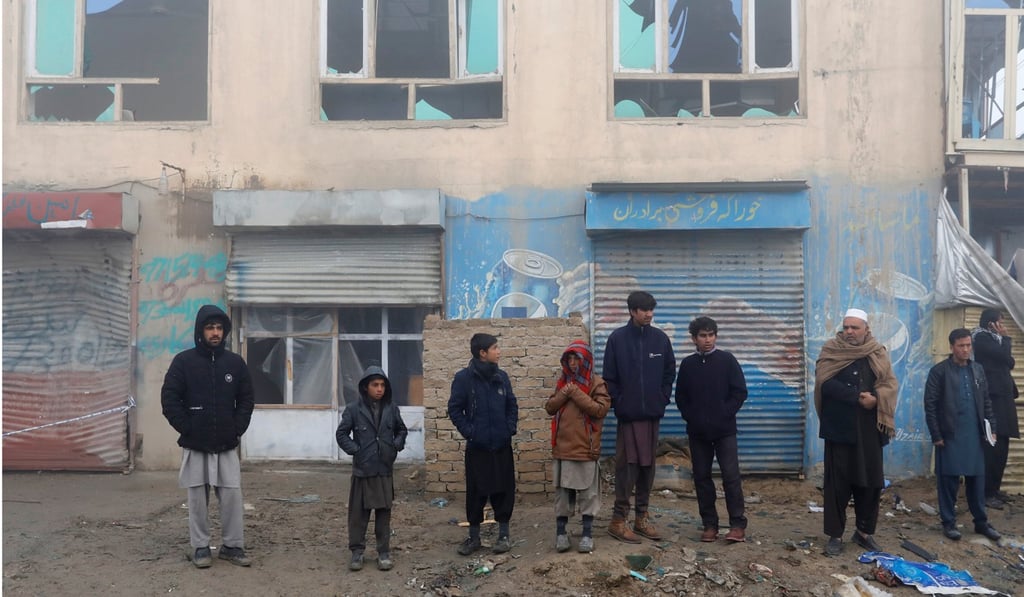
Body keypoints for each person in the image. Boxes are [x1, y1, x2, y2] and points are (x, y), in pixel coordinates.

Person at [161, 304, 255, 569]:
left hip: (226, 444)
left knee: (232, 498)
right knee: (197, 501)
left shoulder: (235, 364)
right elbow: (169, 398)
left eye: (219, 328)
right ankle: (200, 547)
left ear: (224, 331)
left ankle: (232, 546)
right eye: (210, 327)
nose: (215, 333)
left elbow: (246, 398)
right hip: (195, 444)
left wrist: (237, 427)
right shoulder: (184, 362)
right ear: (200, 331)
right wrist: (186, 427)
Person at [813, 308, 898, 557]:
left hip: (870, 430)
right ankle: (835, 536)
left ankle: (863, 533)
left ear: (866, 330)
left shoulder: (877, 352)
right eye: (846, 327)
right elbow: (824, 382)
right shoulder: (831, 350)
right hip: (840, 430)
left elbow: (890, 383)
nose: (849, 332)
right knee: (837, 486)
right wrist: (856, 397)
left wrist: (877, 399)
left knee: (870, 484)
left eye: (855, 328)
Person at [602, 290, 676, 543]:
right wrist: (620, 403)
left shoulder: (660, 340)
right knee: (627, 468)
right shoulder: (617, 339)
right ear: (632, 311)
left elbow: (669, 374)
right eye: (644, 310)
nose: (649, 314)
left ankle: (641, 518)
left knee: (648, 468)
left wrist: (662, 398)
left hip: (652, 416)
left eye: (651, 309)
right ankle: (618, 521)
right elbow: (609, 378)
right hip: (629, 418)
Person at [675, 316, 749, 543]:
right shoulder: (688, 365)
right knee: (702, 478)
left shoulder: (727, 360)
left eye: (711, 335)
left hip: (725, 430)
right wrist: (693, 418)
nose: (707, 340)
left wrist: (724, 413)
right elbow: (681, 397)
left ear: (715, 336)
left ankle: (737, 525)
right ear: (694, 339)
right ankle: (709, 524)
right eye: (702, 336)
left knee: (731, 476)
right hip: (698, 433)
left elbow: (739, 392)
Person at [924, 328, 1001, 542]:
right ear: (952, 347)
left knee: (977, 480)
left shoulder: (977, 370)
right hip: (949, 434)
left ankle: (981, 522)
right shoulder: (939, 371)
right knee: (948, 480)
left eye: (968, 345)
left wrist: (991, 428)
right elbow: (930, 405)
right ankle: (949, 523)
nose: (966, 349)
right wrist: (936, 434)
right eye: (961, 346)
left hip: (974, 434)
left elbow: (986, 402)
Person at [448, 333, 519, 556]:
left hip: (501, 445)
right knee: (476, 493)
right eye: (495, 348)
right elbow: (454, 409)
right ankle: (474, 538)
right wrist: (470, 432)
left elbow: (512, 405)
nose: (499, 351)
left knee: (504, 491)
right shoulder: (464, 379)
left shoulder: (502, 377)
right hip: (477, 448)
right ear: (483, 353)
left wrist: (509, 428)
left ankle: (504, 535)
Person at [336, 366, 409, 572]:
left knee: (384, 513)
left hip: (384, 468)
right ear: (365, 387)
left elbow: (401, 430)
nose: (379, 389)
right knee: (358, 515)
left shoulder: (391, 409)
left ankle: (383, 552)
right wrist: (356, 450)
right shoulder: (353, 410)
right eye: (375, 385)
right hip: (363, 469)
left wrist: (396, 445)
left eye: (382, 385)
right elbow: (341, 434)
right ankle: (357, 553)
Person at [544, 340, 611, 554]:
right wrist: (565, 392)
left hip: (585, 448)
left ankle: (587, 534)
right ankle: (561, 534)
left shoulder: (596, 383)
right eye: (569, 359)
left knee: (587, 494)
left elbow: (599, 410)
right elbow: (550, 408)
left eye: (577, 359)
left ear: (586, 361)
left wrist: (575, 393)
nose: (573, 364)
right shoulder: (563, 383)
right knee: (562, 495)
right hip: (563, 448)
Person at [972, 309, 1019, 510]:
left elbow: (1009, 362)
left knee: (1003, 446)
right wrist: (1006, 339)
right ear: (992, 324)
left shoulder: (995, 340)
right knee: (993, 446)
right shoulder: (981, 338)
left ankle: (995, 489)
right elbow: (1003, 357)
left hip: (1004, 398)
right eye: (1000, 321)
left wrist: (1004, 343)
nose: (1003, 325)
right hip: (993, 398)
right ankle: (986, 493)